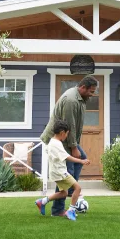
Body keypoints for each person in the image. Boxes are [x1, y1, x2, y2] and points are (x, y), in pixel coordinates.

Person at [40, 75, 98, 217]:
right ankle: (58, 209)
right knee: (66, 171)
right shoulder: (71, 100)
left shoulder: (80, 98)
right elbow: (69, 125)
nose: (92, 94)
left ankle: (71, 189)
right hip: (59, 140)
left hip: (67, 139)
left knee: (80, 159)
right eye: (91, 91)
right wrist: (73, 147)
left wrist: (75, 145)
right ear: (82, 87)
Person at [35, 120, 91, 220]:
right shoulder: (57, 144)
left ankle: (42, 202)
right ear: (62, 133)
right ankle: (71, 211)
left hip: (55, 172)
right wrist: (81, 161)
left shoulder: (52, 141)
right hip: (60, 172)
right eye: (66, 134)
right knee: (77, 188)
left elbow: (48, 150)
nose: (66, 137)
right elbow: (66, 157)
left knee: (64, 193)